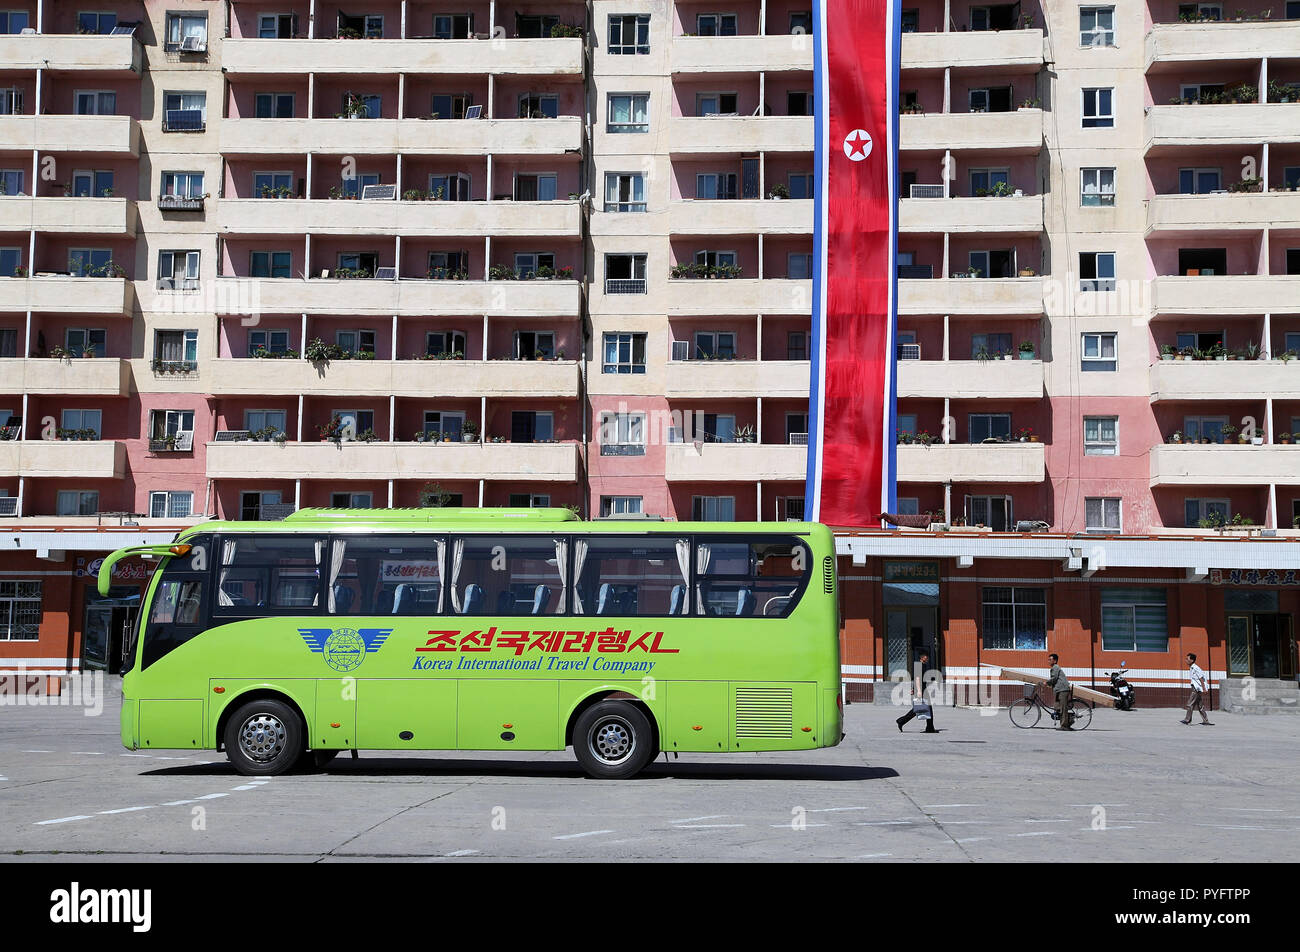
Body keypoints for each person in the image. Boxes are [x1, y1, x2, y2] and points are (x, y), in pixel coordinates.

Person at [896, 649, 939, 733]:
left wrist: (913, 689)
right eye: (927, 656)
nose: (928, 658)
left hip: (921, 688)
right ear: (923, 657)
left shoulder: (922, 665)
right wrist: (918, 691)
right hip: (921, 689)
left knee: (921, 708)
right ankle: (901, 721)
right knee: (921, 708)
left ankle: (929, 727)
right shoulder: (919, 665)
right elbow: (917, 678)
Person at [1180, 652, 1213, 726]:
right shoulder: (1192, 668)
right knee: (1200, 705)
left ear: (1192, 660)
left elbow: (1201, 678)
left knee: (1190, 704)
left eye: (1187, 659)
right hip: (1196, 688)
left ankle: (1187, 720)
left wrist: (1204, 688)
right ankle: (1206, 721)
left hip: (1196, 689)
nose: (1186, 660)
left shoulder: (1195, 668)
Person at [1045, 652, 1072, 730]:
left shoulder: (1055, 667)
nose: (1048, 661)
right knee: (1058, 707)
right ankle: (1066, 722)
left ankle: (1065, 726)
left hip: (1063, 690)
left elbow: (1054, 678)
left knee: (1063, 708)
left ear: (1055, 661)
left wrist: (1046, 683)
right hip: (1059, 690)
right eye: (1048, 660)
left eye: (1050, 659)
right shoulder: (1054, 668)